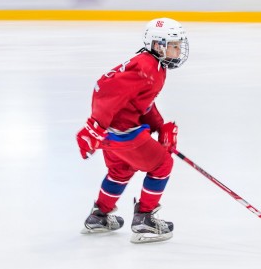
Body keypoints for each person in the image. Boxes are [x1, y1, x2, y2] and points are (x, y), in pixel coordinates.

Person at [76, 17, 189, 243]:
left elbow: (141, 102)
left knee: (121, 171)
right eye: (174, 45)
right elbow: (105, 89)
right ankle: (144, 220)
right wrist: (94, 125)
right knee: (162, 165)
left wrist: (159, 126)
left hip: (111, 133)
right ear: (158, 45)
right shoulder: (148, 67)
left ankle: (99, 217)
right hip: (122, 132)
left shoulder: (152, 65)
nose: (179, 50)